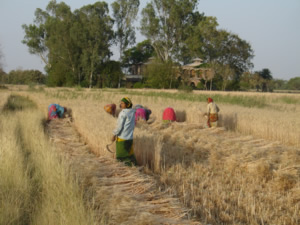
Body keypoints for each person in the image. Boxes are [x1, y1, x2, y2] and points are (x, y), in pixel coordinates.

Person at [111, 97, 137, 166]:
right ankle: (136, 168)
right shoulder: (132, 112)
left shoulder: (123, 113)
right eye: (121, 103)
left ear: (127, 104)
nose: (120, 104)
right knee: (130, 155)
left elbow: (119, 127)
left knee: (121, 157)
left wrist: (114, 134)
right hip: (130, 138)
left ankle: (130, 171)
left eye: (122, 103)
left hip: (122, 138)